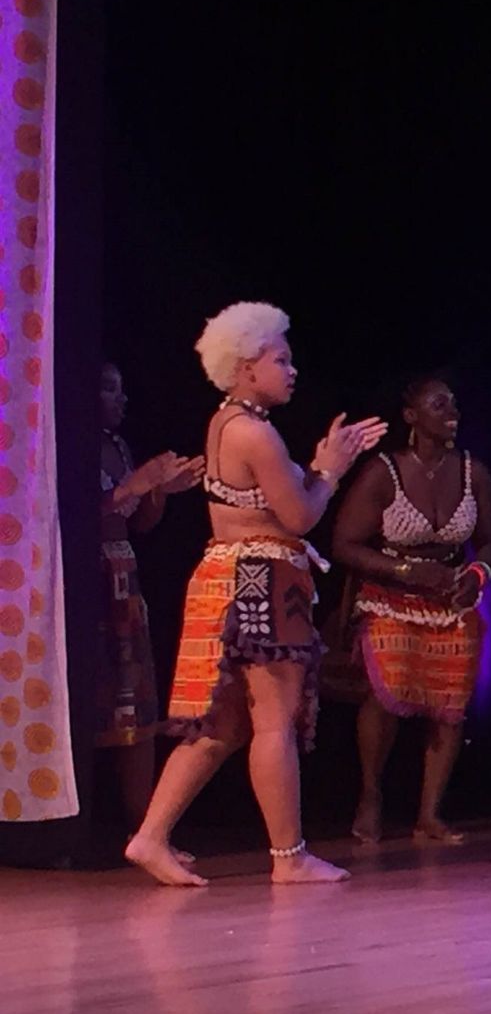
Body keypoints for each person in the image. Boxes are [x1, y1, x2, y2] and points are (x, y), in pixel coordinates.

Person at [124, 303, 386, 886]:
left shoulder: (225, 423)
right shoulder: (255, 434)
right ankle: (288, 858)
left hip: (228, 575)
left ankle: (149, 836)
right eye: (281, 359)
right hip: (261, 579)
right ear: (245, 367)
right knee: (274, 721)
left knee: (223, 726)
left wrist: (317, 466)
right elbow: (299, 516)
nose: (292, 370)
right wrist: (332, 470)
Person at [331, 376, 491, 846]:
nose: (452, 411)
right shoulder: (383, 472)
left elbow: (490, 542)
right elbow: (344, 544)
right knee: (386, 695)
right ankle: (370, 795)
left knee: (450, 706)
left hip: (450, 598)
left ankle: (429, 815)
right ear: (411, 416)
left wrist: (476, 576)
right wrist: (405, 570)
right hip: (390, 596)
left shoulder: (473, 471)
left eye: (455, 403)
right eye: (439, 403)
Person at [98, 363, 204, 846]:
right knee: (91, 699)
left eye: (121, 389)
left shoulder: (118, 446)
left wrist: (159, 489)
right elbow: (69, 518)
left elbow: (138, 523)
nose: (121, 401)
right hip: (83, 583)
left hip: (122, 579)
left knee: (134, 706)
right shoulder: (64, 446)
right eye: (108, 389)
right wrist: (133, 486)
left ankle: (144, 830)